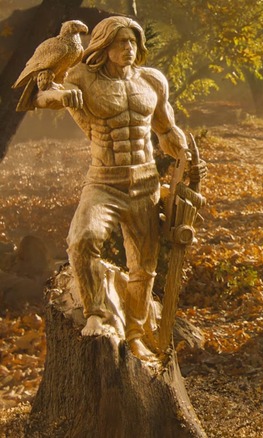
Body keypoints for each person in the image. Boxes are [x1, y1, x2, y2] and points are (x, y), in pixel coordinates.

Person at [32, 16, 204, 361]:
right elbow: (43, 96)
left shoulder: (151, 81)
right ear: (104, 46)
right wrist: (59, 97)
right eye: (120, 42)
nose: (128, 49)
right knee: (82, 240)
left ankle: (137, 333)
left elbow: (166, 131)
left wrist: (186, 156)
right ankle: (96, 313)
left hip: (145, 182)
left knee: (144, 265)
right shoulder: (82, 76)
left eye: (132, 43)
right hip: (104, 181)